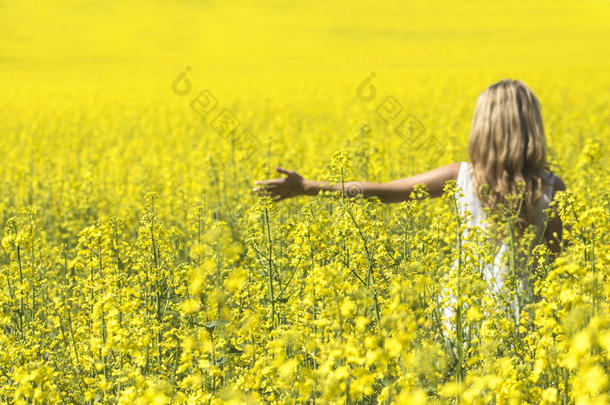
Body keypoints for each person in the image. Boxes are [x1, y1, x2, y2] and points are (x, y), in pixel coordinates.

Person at [253, 79, 566, 327]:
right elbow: (556, 265)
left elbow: (383, 192)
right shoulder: (551, 187)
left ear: (482, 128)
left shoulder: (463, 176)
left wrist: (308, 187)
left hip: (463, 314)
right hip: (522, 315)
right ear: (532, 128)